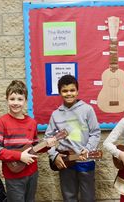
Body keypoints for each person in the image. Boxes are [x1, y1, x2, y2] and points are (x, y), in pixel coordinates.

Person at [0, 80, 56, 202]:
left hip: (32, 172)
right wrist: (20, 156)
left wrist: (47, 145)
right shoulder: (2, 122)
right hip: (13, 175)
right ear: (7, 100)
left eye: (20, 99)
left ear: (25, 101)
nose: (16, 103)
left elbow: (35, 146)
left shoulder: (32, 122)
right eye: (12, 99)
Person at [44, 74, 101, 202]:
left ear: (77, 91)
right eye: (64, 91)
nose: (69, 93)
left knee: (88, 197)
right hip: (65, 162)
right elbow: (48, 138)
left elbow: (95, 133)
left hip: (85, 161)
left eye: (72, 90)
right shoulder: (56, 114)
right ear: (59, 92)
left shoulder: (87, 110)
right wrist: (54, 156)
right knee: (69, 197)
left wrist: (88, 149)